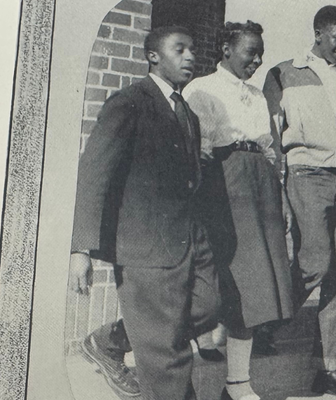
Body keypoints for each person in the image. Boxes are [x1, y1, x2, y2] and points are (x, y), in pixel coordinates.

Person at [68, 26, 222, 400]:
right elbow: (94, 173)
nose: (190, 57)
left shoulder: (187, 112)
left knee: (209, 307)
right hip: (146, 244)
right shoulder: (129, 102)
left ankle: (108, 341)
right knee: (166, 354)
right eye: (180, 49)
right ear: (153, 55)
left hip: (189, 240)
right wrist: (80, 248)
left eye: (193, 50)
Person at [262, 6, 336, 399]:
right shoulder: (283, 72)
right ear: (319, 32)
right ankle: (264, 323)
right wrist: (278, 187)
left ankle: (332, 369)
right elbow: (271, 135)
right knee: (312, 263)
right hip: (306, 175)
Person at [183, 20, 294, 400]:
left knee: (257, 288)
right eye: (251, 51)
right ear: (227, 50)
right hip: (223, 184)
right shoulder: (202, 89)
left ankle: (238, 384)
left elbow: (268, 147)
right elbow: (199, 151)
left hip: (260, 184)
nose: (258, 59)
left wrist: (279, 194)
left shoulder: (258, 96)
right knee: (225, 285)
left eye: (261, 53)